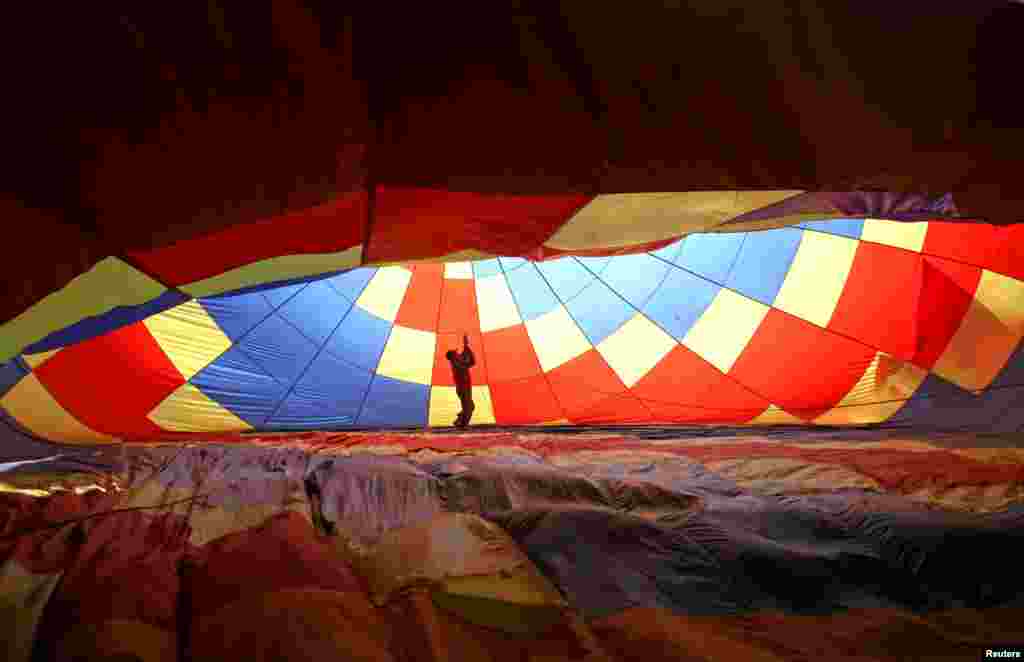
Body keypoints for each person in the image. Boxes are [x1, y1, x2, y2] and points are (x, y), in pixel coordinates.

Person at [445, 334, 476, 428]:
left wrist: (466, 345)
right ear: (453, 357)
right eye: (456, 353)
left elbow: (468, 359)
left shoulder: (457, 361)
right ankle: (462, 424)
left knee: (470, 406)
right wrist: (466, 346)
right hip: (463, 388)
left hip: (465, 387)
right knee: (468, 407)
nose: (459, 354)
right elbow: (470, 362)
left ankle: (459, 421)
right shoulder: (456, 364)